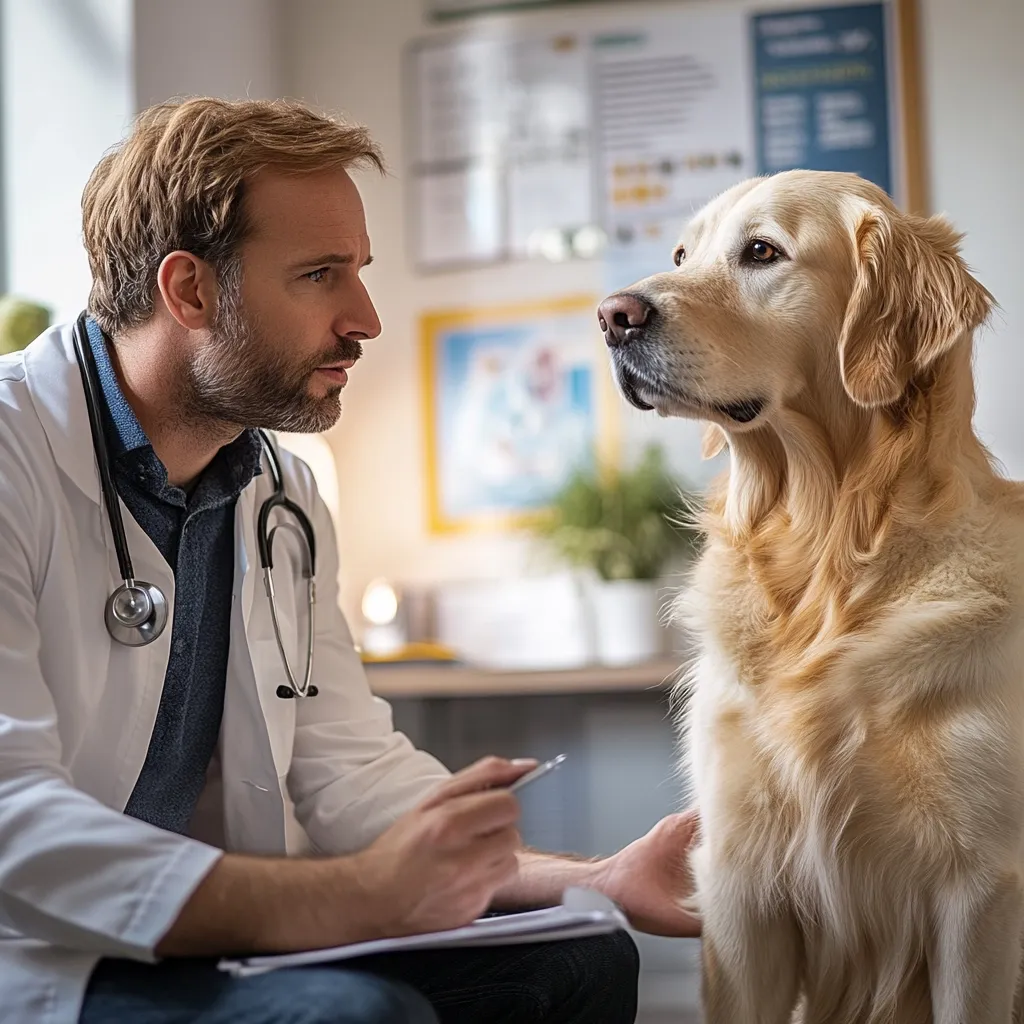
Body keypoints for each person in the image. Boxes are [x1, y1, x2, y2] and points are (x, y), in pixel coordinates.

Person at [0, 97, 701, 1024]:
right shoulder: (16, 454)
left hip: (200, 951)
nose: (365, 318)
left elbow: (349, 772)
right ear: (190, 291)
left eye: (357, 272)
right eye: (322, 275)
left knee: (580, 952)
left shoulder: (280, 492)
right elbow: (13, 823)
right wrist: (355, 897)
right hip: (37, 954)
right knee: (351, 1014)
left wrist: (598, 875)